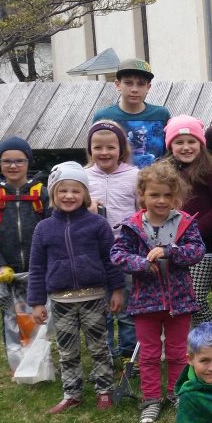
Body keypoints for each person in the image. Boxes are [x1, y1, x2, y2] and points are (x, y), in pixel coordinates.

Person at [110, 161, 205, 423]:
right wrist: (141, 264)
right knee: (149, 354)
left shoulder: (185, 223)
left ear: (176, 196)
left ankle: (177, 393)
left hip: (180, 301)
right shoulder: (132, 225)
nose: (161, 200)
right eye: (154, 194)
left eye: (167, 195)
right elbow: (117, 254)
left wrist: (171, 251)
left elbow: (197, 251)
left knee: (178, 352)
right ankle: (151, 399)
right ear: (142, 195)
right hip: (145, 302)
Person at [27, 162, 124, 413]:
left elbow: (110, 259)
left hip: (94, 297)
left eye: (75, 191)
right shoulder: (43, 229)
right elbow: (36, 267)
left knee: (99, 347)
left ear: (85, 195)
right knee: (67, 350)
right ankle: (72, 393)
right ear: (52, 194)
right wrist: (37, 302)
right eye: (62, 191)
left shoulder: (97, 225)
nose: (69, 196)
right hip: (60, 301)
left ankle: (104, 390)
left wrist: (116, 290)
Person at [0, 136, 49, 371]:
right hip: (8, 271)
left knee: (40, 315)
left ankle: (41, 361)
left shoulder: (42, 194)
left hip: (39, 269)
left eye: (19, 160)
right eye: (6, 161)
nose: (13, 166)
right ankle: (18, 363)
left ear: (28, 163)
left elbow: (52, 229)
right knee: (13, 318)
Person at [163, 115, 212, 326]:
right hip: (173, 243)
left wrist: (195, 229)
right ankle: (190, 336)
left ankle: (211, 335)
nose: (186, 147)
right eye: (179, 142)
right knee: (178, 294)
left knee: (193, 296)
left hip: (205, 246)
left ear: (201, 144)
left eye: (191, 141)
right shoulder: (166, 169)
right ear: (170, 145)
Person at [85, 120, 139, 359]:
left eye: (110, 147)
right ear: (90, 149)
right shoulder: (83, 177)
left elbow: (141, 211)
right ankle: (104, 352)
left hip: (126, 248)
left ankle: (129, 352)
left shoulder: (134, 175)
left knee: (126, 305)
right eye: (98, 147)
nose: (104, 152)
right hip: (93, 250)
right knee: (100, 307)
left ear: (121, 149)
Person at [91, 59, 169, 168]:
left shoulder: (161, 115)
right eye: (128, 83)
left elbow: (169, 154)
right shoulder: (103, 117)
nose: (134, 89)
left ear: (148, 87)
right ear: (118, 84)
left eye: (141, 84)